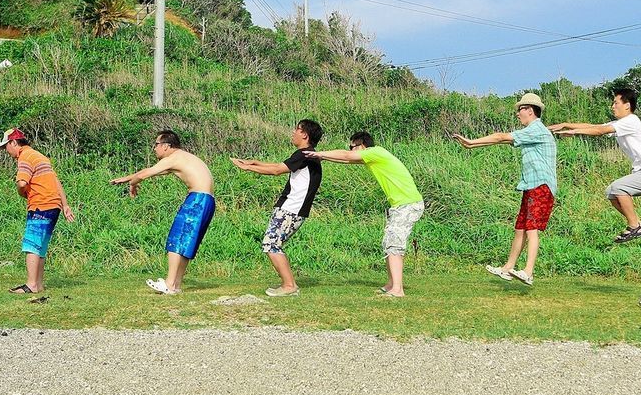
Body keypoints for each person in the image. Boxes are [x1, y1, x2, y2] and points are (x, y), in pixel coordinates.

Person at [452, 92, 557, 286]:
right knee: (520, 229)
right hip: (531, 185)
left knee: (532, 229)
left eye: (520, 110)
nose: (518, 114)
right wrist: (472, 145)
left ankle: (528, 271)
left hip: (541, 186)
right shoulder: (533, 131)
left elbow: (501, 137)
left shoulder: (537, 130)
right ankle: (508, 268)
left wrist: (472, 142)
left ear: (531, 111)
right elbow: (503, 139)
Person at [305, 132, 424, 298]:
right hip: (402, 205)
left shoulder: (376, 152)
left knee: (394, 244)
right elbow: (347, 159)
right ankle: (391, 284)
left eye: (352, 146)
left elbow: (347, 155)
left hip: (408, 204)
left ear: (361, 145)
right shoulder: (373, 157)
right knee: (389, 242)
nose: (350, 149)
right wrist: (324, 158)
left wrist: (320, 153)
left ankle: (398, 289)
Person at [551, 86, 641, 243]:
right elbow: (594, 126)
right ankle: (637, 224)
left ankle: (634, 226)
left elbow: (601, 131)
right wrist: (566, 124)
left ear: (627, 105)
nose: (613, 106)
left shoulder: (631, 121)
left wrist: (574, 132)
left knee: (619, 187)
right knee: (611, 192)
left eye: (616, 103)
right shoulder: (622, 123)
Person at [111, 130, 215, 295]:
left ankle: (169, 283)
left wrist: (133, 183)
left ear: (166, 146)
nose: (154, 148)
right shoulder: (182, 157)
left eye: (157, 144)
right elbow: (154, 171)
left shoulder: (173, 158)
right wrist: (128, 177)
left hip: (197, 200)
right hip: (207, 201)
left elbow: (147, 173)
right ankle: (175, 284)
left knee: (176, 238)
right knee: (186, 241)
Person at [230, 120, 324, 297]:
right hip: (289, 208)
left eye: (297, 129)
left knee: (271, 244)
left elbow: (276, 171)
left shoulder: (304, 154)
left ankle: (289, 285)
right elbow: (279, 166)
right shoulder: (306, 155)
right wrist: (254, 163)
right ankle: (289, 284)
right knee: (272, 244)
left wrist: (249, 168)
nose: (293, 132)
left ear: (305, 135)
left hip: (291, 209)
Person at [0, 127, 74, 294]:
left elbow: (22, 183)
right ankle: (38, 284)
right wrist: (65, 204)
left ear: (13, 142)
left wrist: (21, 193)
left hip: (40, 204)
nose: (6, 151)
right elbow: (56, 180)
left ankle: (31, 285)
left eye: (6, 147)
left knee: (32, 245)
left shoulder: (24, 157)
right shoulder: (39, 156)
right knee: (41, 246)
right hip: (54, 205)